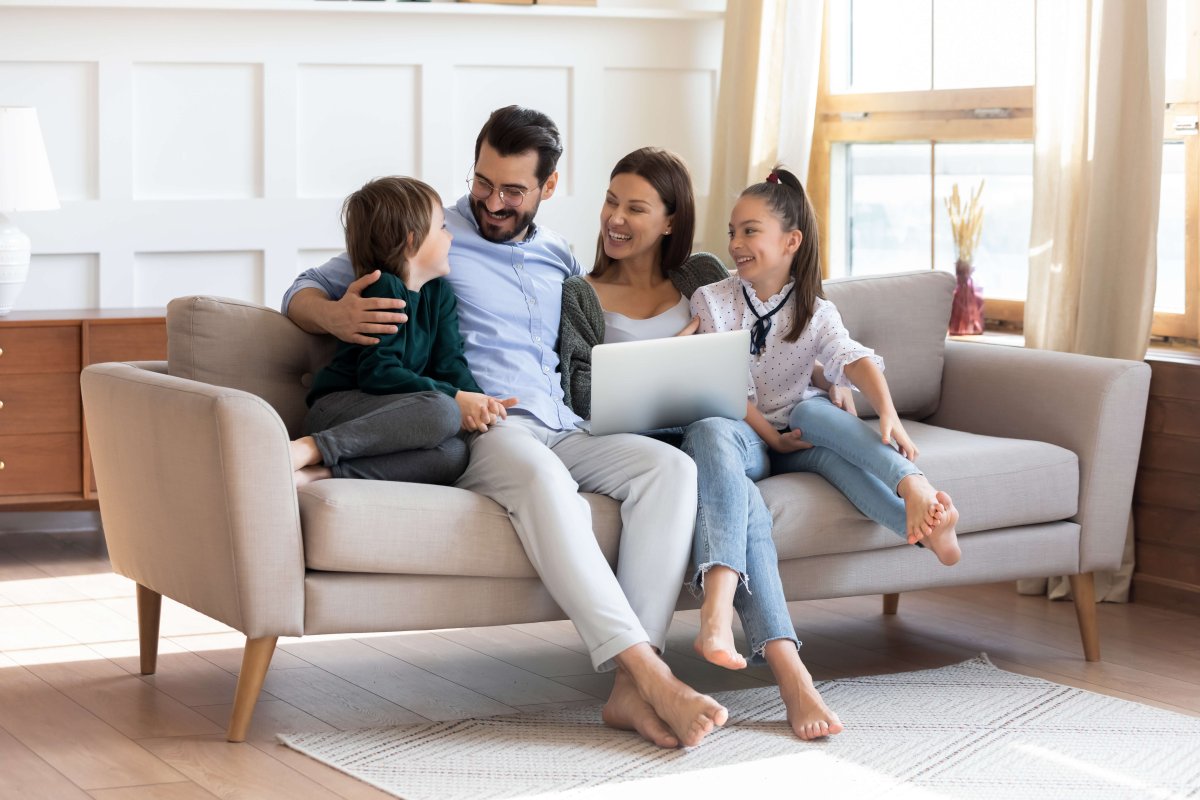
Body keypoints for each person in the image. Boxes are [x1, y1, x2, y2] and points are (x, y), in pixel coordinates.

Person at [281, 106, 727, 749]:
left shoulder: (559, 256)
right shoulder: (428, 233)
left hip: (565, 424)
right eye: (482, 182)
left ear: (549, 186)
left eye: (512, 190)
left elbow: (590, 348)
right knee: (544, 481)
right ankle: (649, 673)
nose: (491, 202)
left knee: (672, 469)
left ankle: (631, 691)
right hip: (491, 430)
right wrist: (333, 317)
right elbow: (303, 286)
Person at [559, 148, 859, 740]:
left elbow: (771, 342)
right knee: (742, 500)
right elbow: (579, 393)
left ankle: (734, 626)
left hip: (721, 435)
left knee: (717, 443)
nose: (615, 218)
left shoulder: (702, 276)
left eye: (635, 208)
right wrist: (665, 362)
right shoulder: (581, 292)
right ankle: (790, 672)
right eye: (611, 202)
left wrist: (831, 379)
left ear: (670, 220)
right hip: (645, 446)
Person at [684, 166, 962, 729]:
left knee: (818, 414)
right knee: (710, 428)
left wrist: (888, 413)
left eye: (750, 231)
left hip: (800, 431)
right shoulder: (713, 300)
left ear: (791, 242)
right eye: (732, 231)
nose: (736, 243)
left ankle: (917, 496)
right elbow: (725, 387)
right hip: (747, 435)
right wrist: (770, 436)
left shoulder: (814, 308)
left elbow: (850, 357)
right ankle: (729, 619)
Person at [289, 176, 516, 488]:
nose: (450, 237)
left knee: (454, 454)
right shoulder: (382, 289)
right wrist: (455, 398)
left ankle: (322, 473)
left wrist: (480, 401)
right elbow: (378, 373)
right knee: (443, 410)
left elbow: (450, 364)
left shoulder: (441, 295)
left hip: (392, 416)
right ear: (411, 240)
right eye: (442, 228)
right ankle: (310, 447)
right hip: (340, 409)